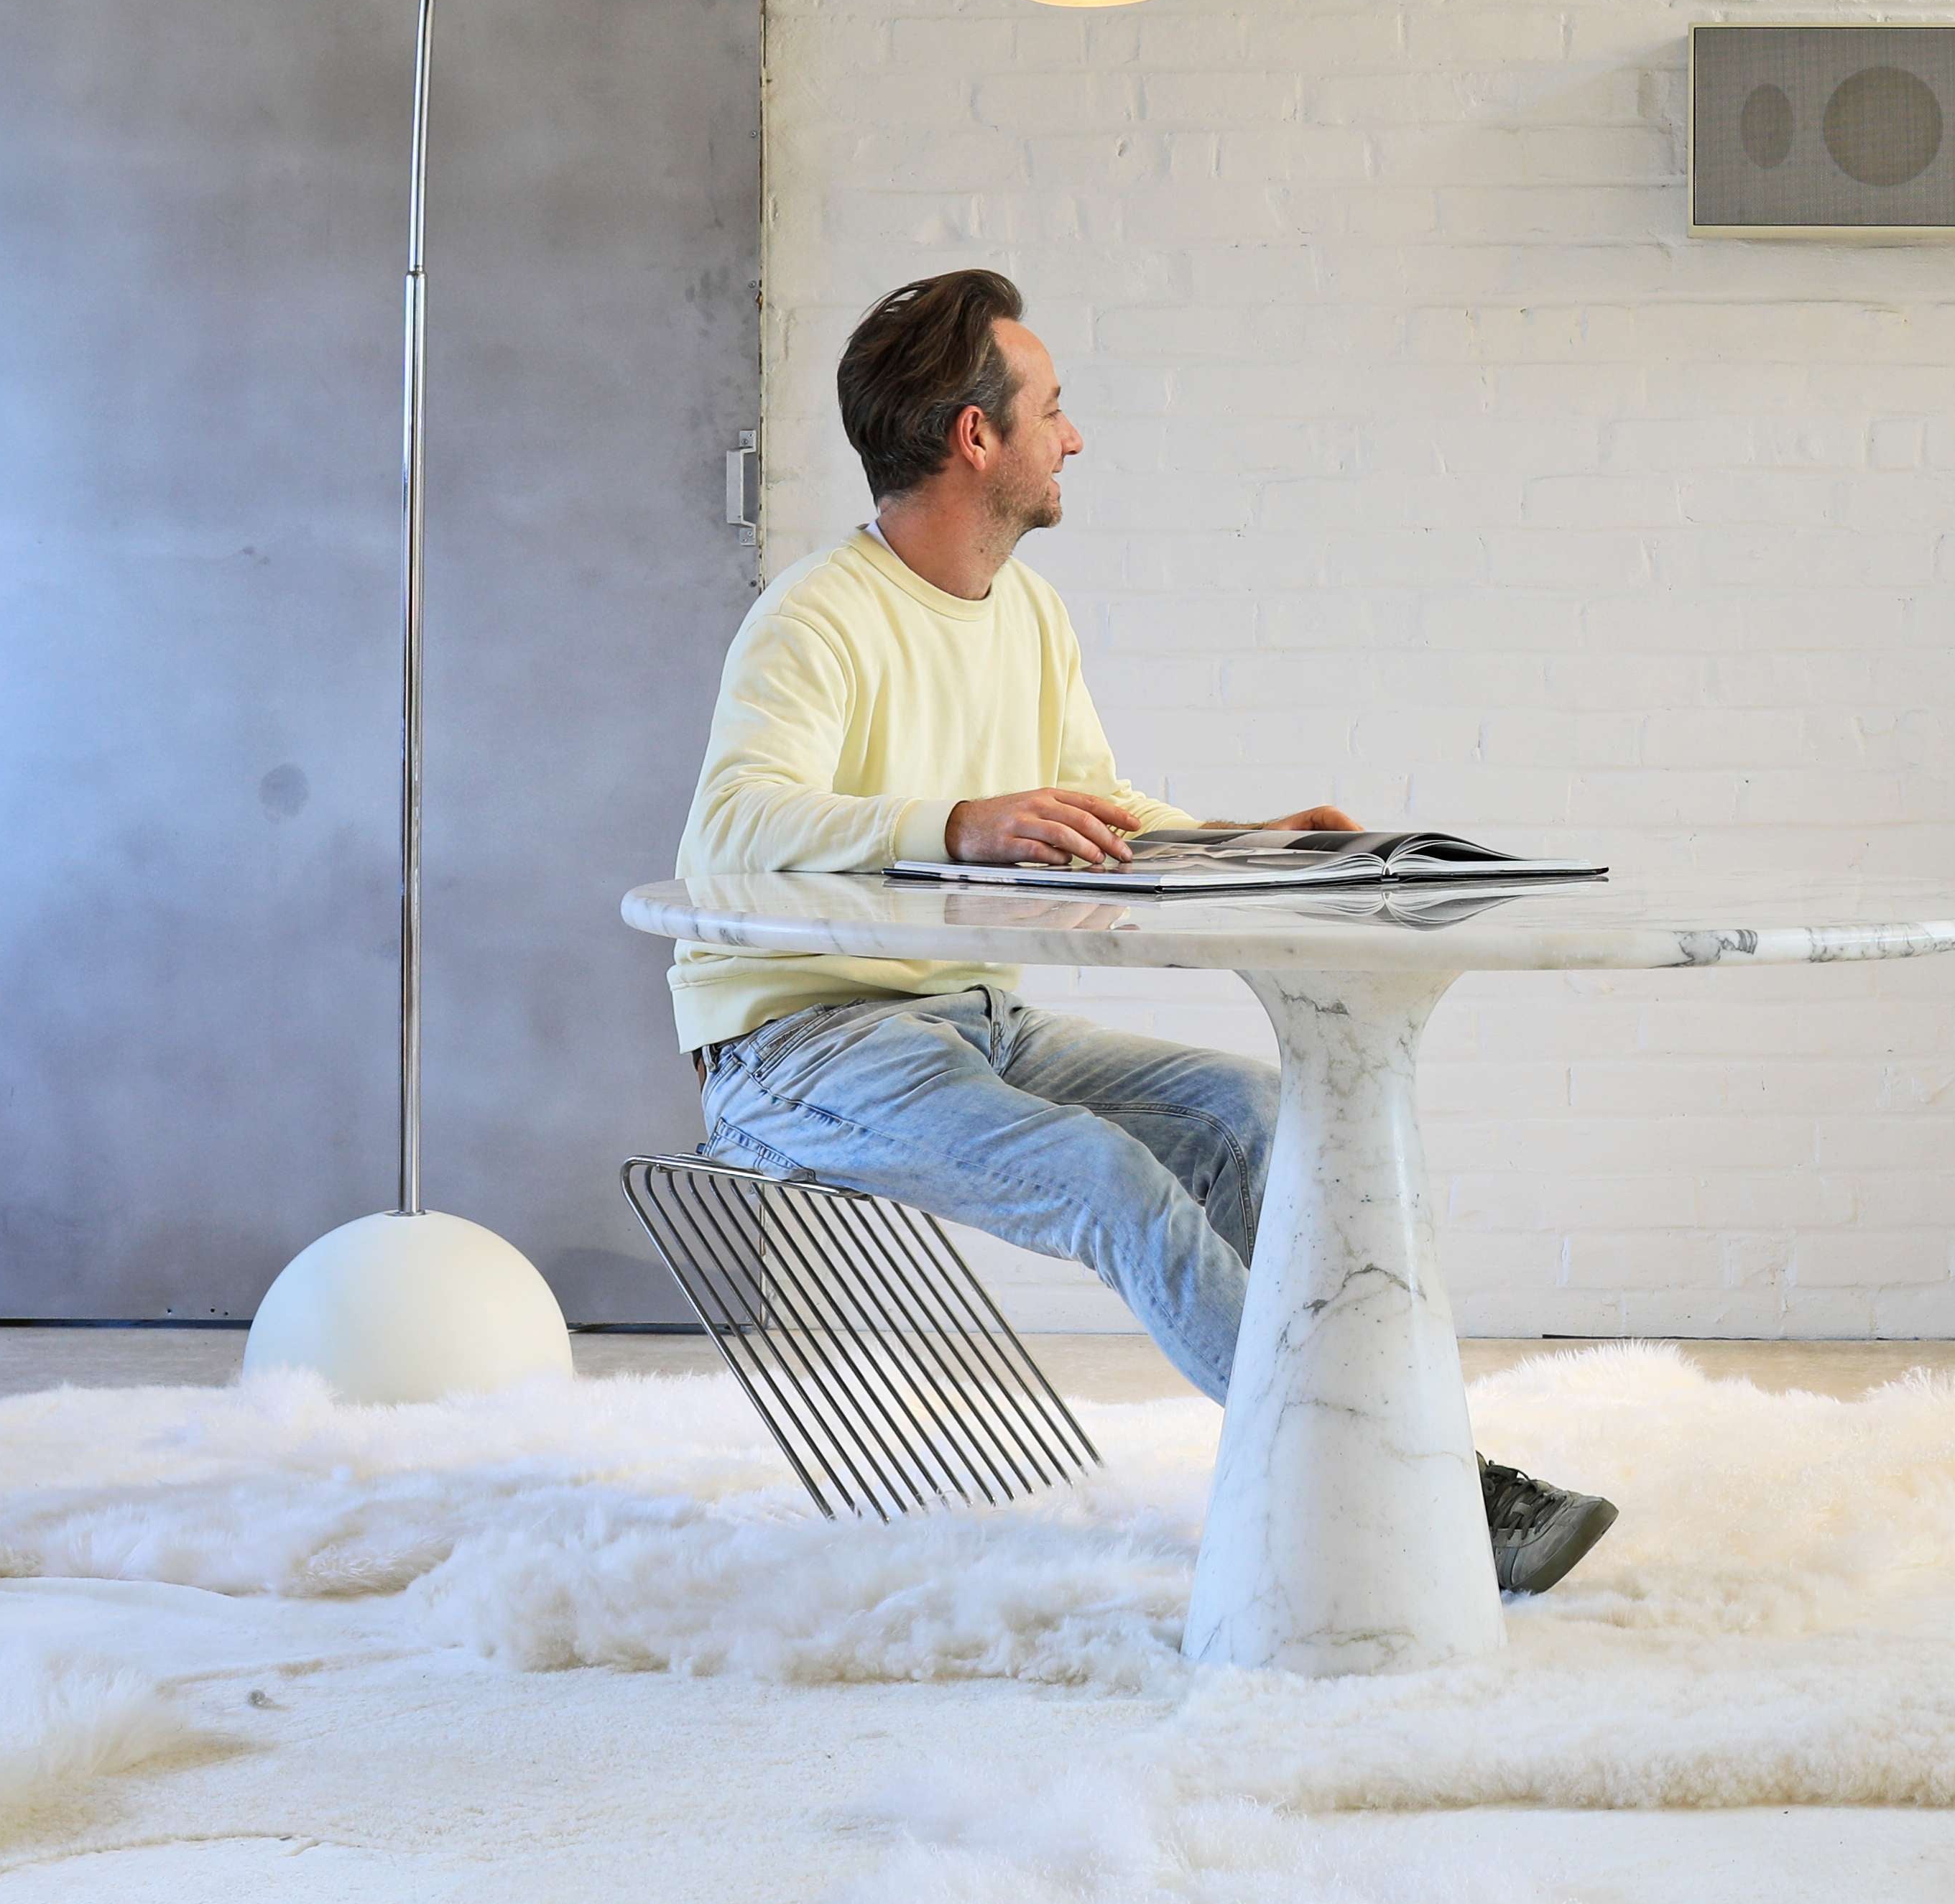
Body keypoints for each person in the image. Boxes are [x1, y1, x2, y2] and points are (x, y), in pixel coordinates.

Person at [670, 267, 1618, 1589]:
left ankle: (1382, 1464)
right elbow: (735, 821)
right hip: (796, 1049)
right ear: (976, 435)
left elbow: (1091, 807)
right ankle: (1423, 1497)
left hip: (971, 1021)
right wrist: (958, 823)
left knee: (1262, 1115)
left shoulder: (1028, 613)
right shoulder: (816, 615)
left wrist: (1252, 839)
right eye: (1053, 408)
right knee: (1111, 1183)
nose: (1074, 437)